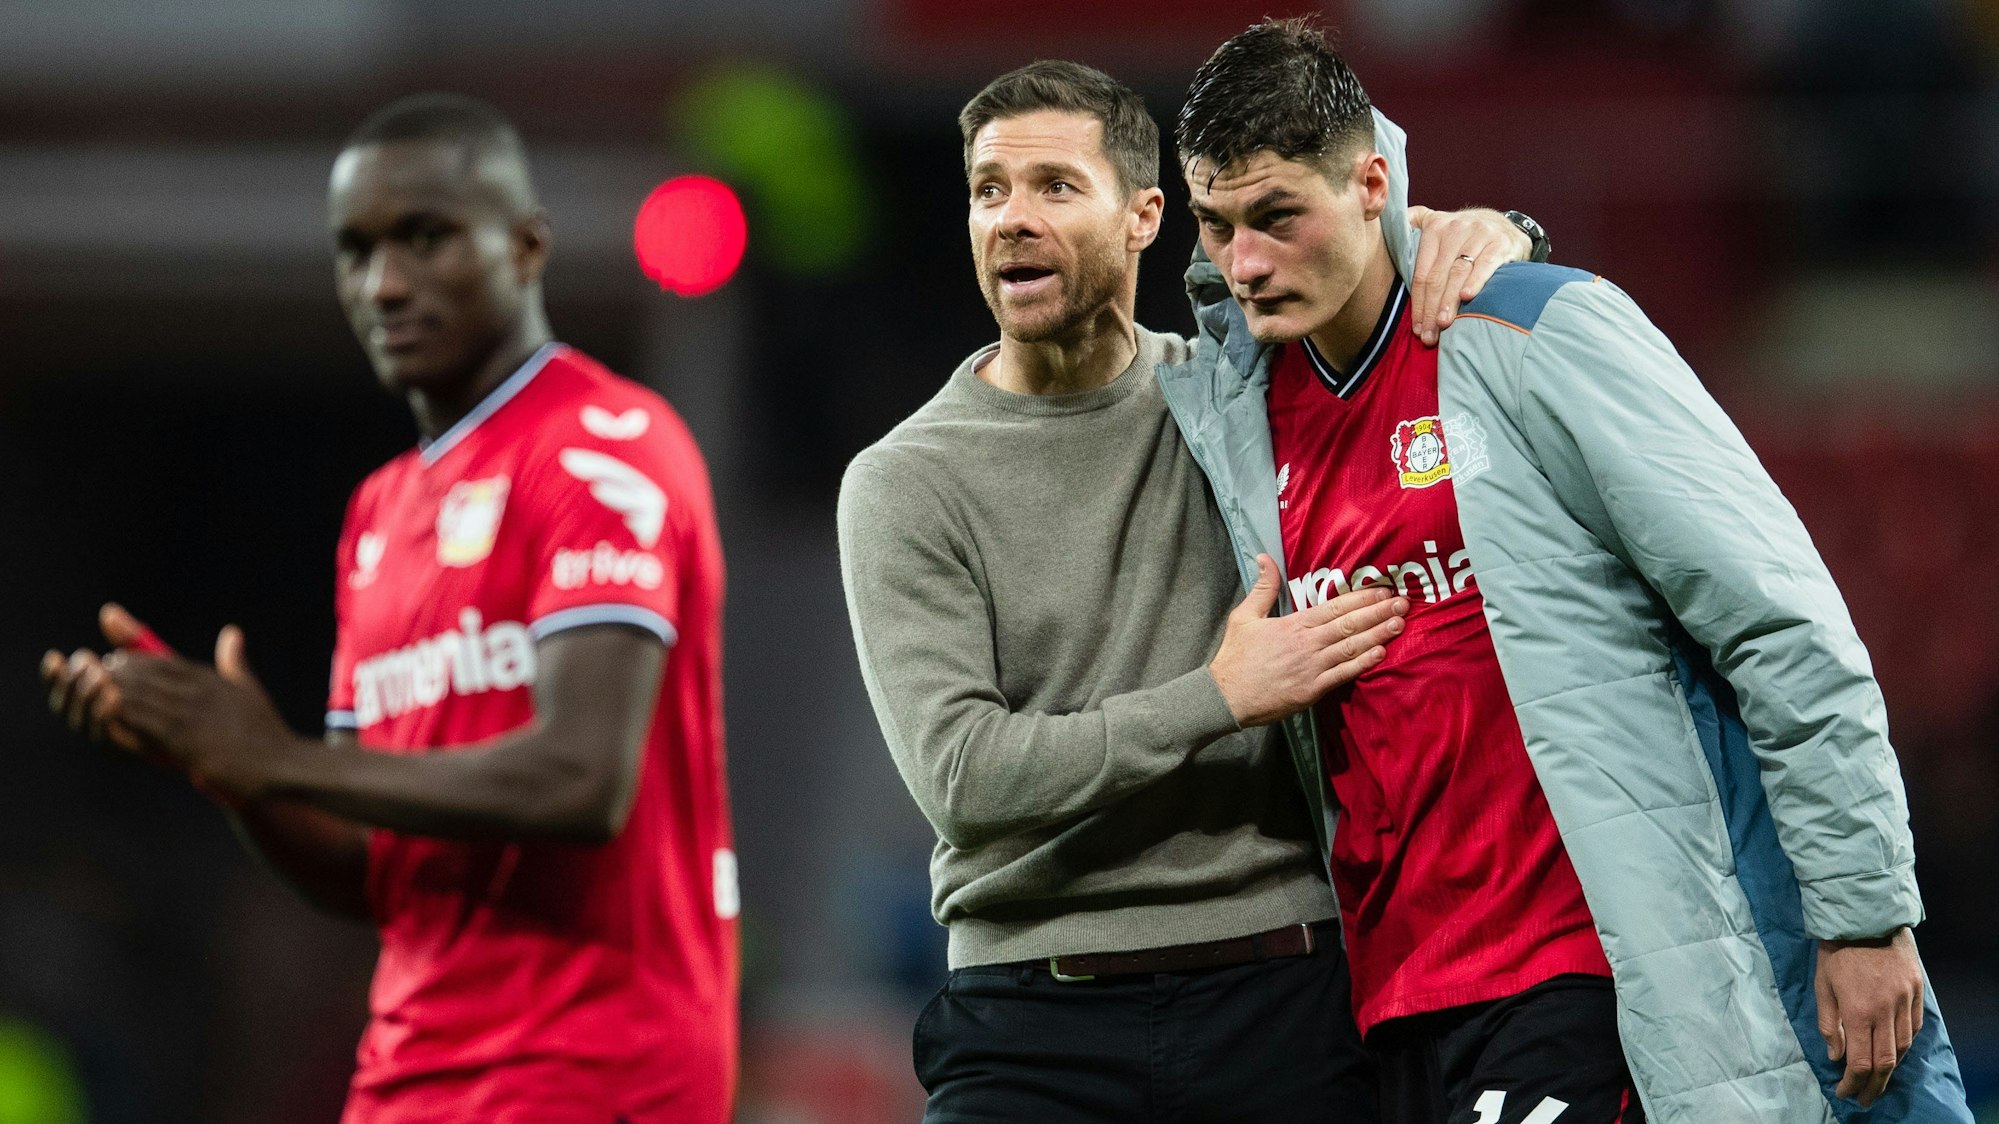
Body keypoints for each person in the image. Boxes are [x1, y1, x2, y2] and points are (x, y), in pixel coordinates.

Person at [1161, 19, 1972, 1124]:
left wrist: (1864, 911)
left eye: (1275, 217)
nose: (1244, 261)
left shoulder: (1536, 332)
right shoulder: (1235, 419)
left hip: (1574, 971)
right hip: (1388, 1008)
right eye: (1218, 226)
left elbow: (1778, 618)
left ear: (1367, 183)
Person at [836, 60, 1540, 1121]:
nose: (1012, 220)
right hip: (1032, 1022)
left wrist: (1497, 232)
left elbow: (1360, 266)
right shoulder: (902, 480)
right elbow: (964, 776)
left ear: (1146, 216)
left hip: (1282, 998)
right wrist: (1219, 695)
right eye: (989, 190)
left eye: (1055, 187)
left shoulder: (1238, 397)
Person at [40, 94, 737, 1124]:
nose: (386, 283)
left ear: (526, 245)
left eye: (426, 237)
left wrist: (275, 757)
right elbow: (371, 869)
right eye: (355, 250)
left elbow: (582, 778)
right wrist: (220, 761)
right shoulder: (380, 512)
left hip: (592, 1065)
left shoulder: (603, 446)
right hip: (412, 1075)